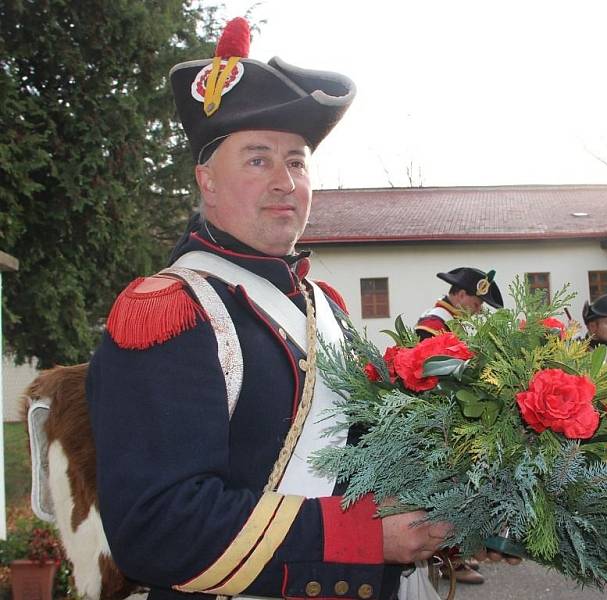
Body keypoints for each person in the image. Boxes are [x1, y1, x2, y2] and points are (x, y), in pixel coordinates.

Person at [86, 19, 451, 600]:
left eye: (297, 161)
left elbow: (360, 449)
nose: (285, 182)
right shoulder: (171, 312)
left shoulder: (323, 306)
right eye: (258, 160)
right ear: (205, 180)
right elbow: (154, 529)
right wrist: (365, 536)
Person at [413, 267, 503, 585]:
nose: (479, 310)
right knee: (449, 485)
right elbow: (432, 372)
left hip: (457, 414)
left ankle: (455, 553)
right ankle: (448, 558)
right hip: (441, 415)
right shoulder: (435, 322)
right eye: (477, 303)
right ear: (461, 295)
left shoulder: (455, 321)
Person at [415, 267, 504, 340]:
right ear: (461, 295)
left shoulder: (449, 321)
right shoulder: (433, 324)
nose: (478, 312)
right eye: (476, 305)